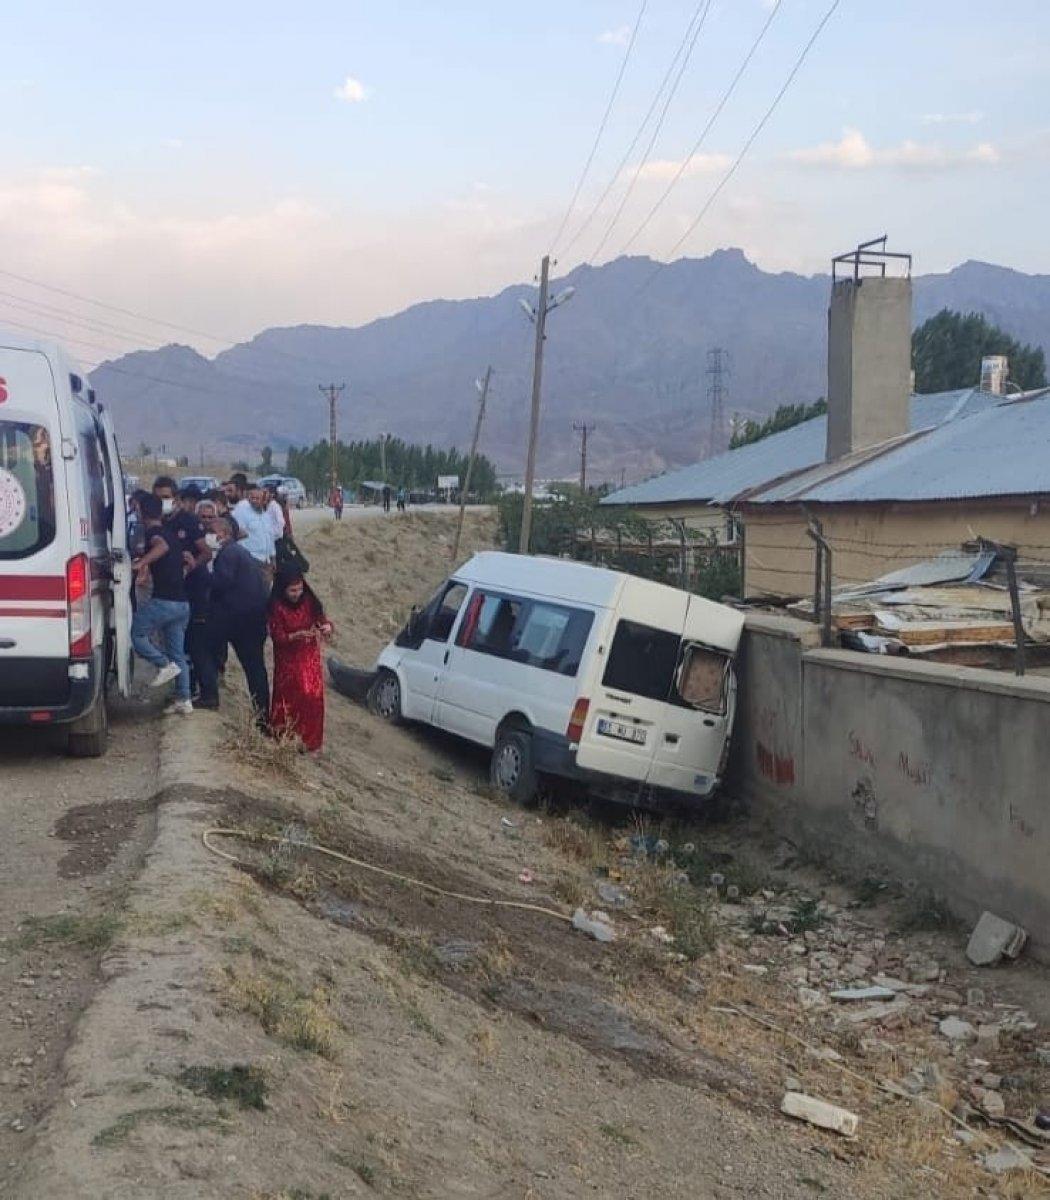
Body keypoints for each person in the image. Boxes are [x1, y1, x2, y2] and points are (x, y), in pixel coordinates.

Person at [130, 493, 192, 714]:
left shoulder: (154, 533)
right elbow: (179, 557)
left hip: (165, 601)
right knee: (178, 652)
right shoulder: (170, 532)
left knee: (136, 634)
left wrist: (141, 564)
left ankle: (163, 665)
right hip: (182, 603)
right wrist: (148, 570)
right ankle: (184, 700)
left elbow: (161, 547)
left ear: (140, 510)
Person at [204, 515, 270, 722]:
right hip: (253, 620)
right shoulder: (240, 552)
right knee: (255, 670)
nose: (208, 536)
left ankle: (209, 695)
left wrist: (202, 575)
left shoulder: (228, 554)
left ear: (223, 534)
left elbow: (221, 583)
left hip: (239, 621)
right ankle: (263, 717)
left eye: (211, 532)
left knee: (201, 647)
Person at [268, 568, 332, 750]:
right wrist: (298, 635)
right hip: (287, 662)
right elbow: (278, 637)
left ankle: (309, 742)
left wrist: (327, 627)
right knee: (288, 699)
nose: (297, 594)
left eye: (299, 589)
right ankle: (284, 737)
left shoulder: (309, 601)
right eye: (292, 591)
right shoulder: (277, 607)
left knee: (312, 699)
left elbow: (323, 620)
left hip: (310, 659)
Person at [231, 483, 276, 575]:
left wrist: (273, 559)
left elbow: (270, 539)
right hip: (251, 560)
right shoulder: (242, 512)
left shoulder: (266, 517)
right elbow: (237, 534)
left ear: (264, 500)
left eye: (257, 498)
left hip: (266, 561)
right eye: (252, 498)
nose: (254, 501)